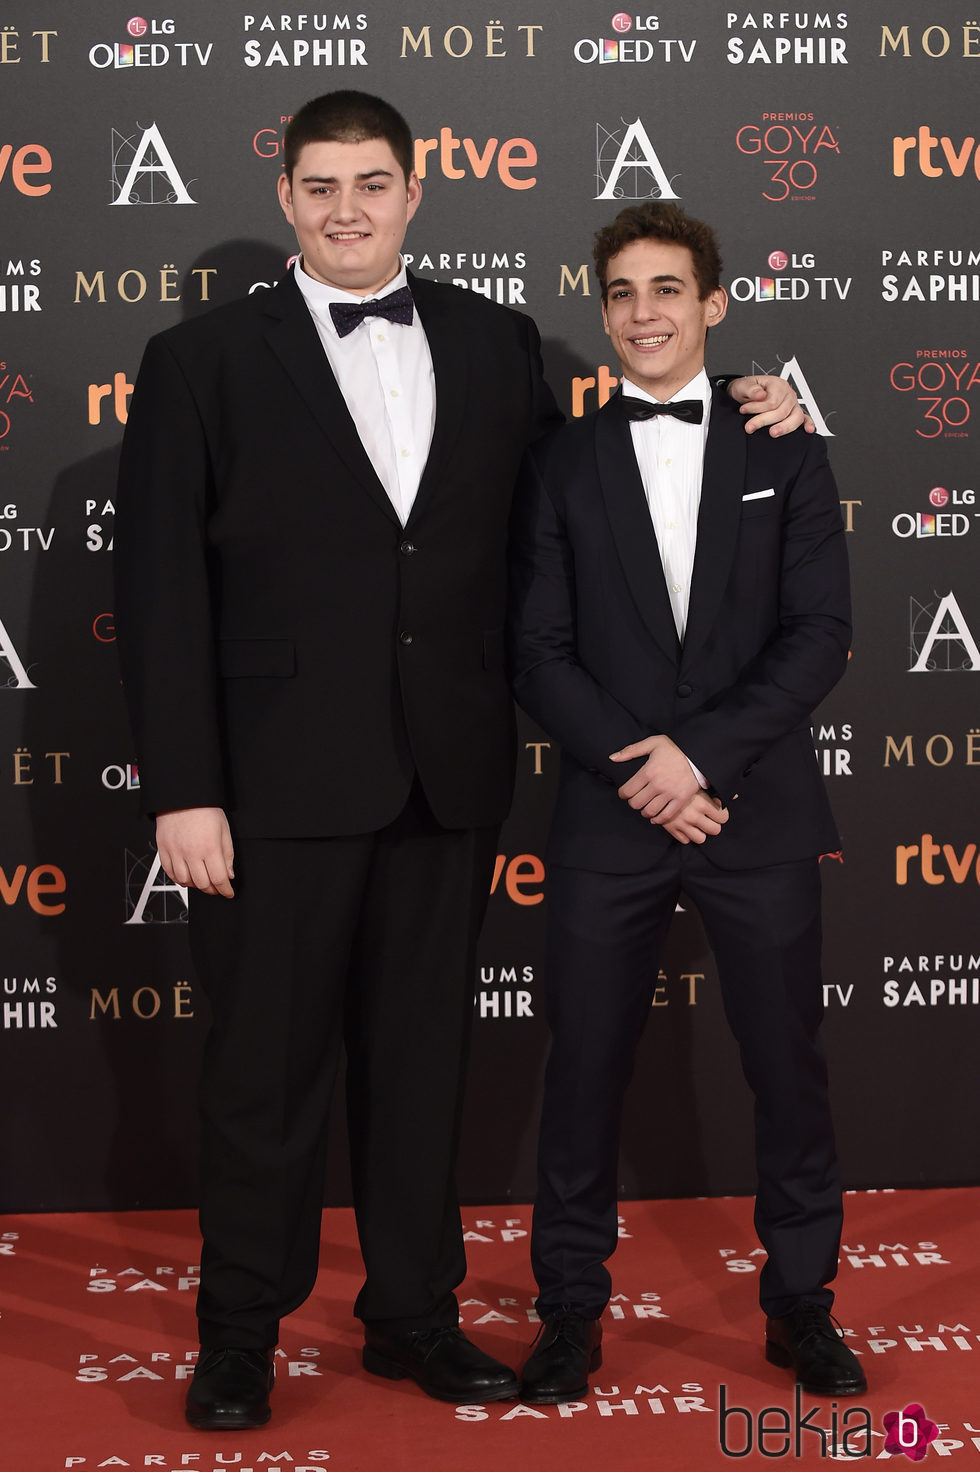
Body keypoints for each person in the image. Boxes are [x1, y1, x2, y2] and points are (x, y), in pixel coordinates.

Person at [114, 92, 809, 1430]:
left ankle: (412, 1317)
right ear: (286, 198)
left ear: (416, 191)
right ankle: (241, 1331)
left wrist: (735, 406)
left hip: (447, 771)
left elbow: (594, 505)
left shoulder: (499, 346)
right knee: (263, 1074)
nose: (347, 210)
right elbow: (159, 597)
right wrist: (184, 789)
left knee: (421, 1064)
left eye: (372, 184)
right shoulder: (199, 358)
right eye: (320, 187)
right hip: (270, 786)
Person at [508, 201, 864, 1406]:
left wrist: (697, 758)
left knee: (786, 1065)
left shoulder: (787, 446)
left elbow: (821, 635)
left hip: (750, 807)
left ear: (712, 304)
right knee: (583, 1070)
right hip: (611, 816)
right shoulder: (558, 460)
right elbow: (537, 649)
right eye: (619, 291)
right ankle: (568, 1309)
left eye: (667, 288)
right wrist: (636, 765)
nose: (643, 312)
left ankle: (800, 1304)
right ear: (599, 309)